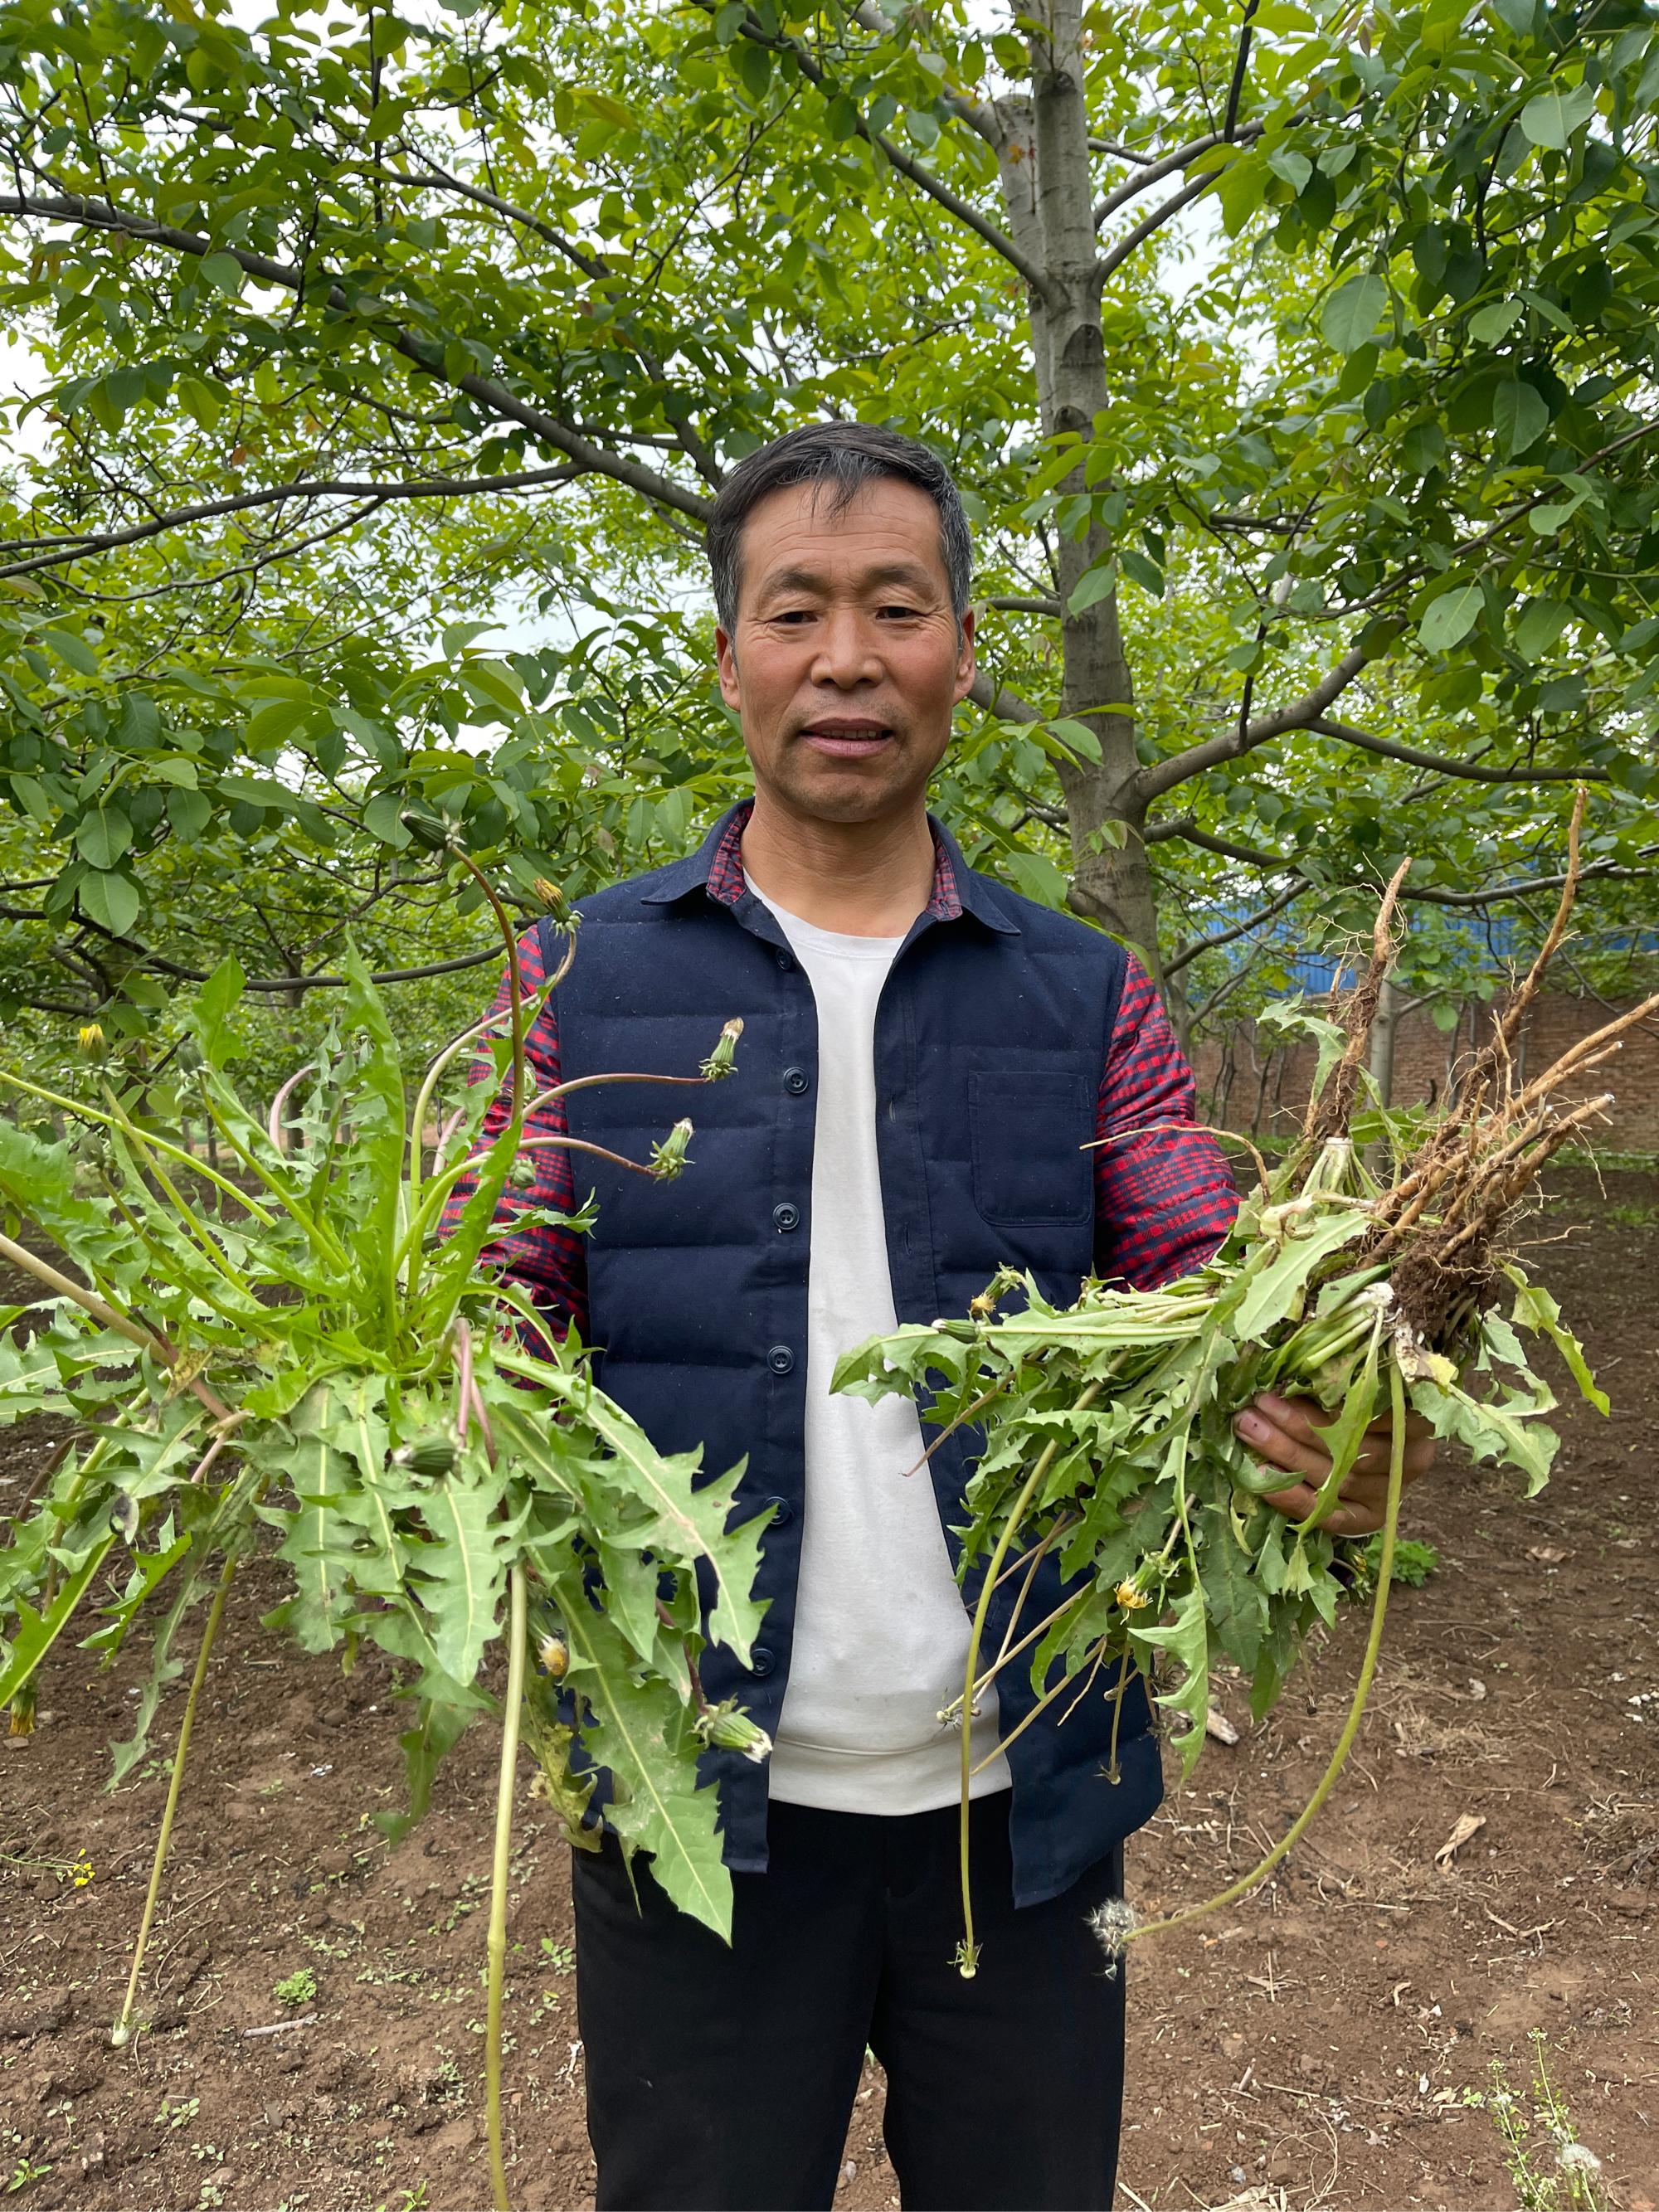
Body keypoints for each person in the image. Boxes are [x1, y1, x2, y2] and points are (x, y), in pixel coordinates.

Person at [447, 422, 1433, 2211]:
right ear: (729, 652)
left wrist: (1334, 1432)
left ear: (963, 650)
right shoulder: (583, 975)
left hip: (1025, 1803)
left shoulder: (1083, 991)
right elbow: (497, 1303)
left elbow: (1199, 1293)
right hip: (698, 1798)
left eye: (895, 608)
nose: (846, 657)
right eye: (796, 609)